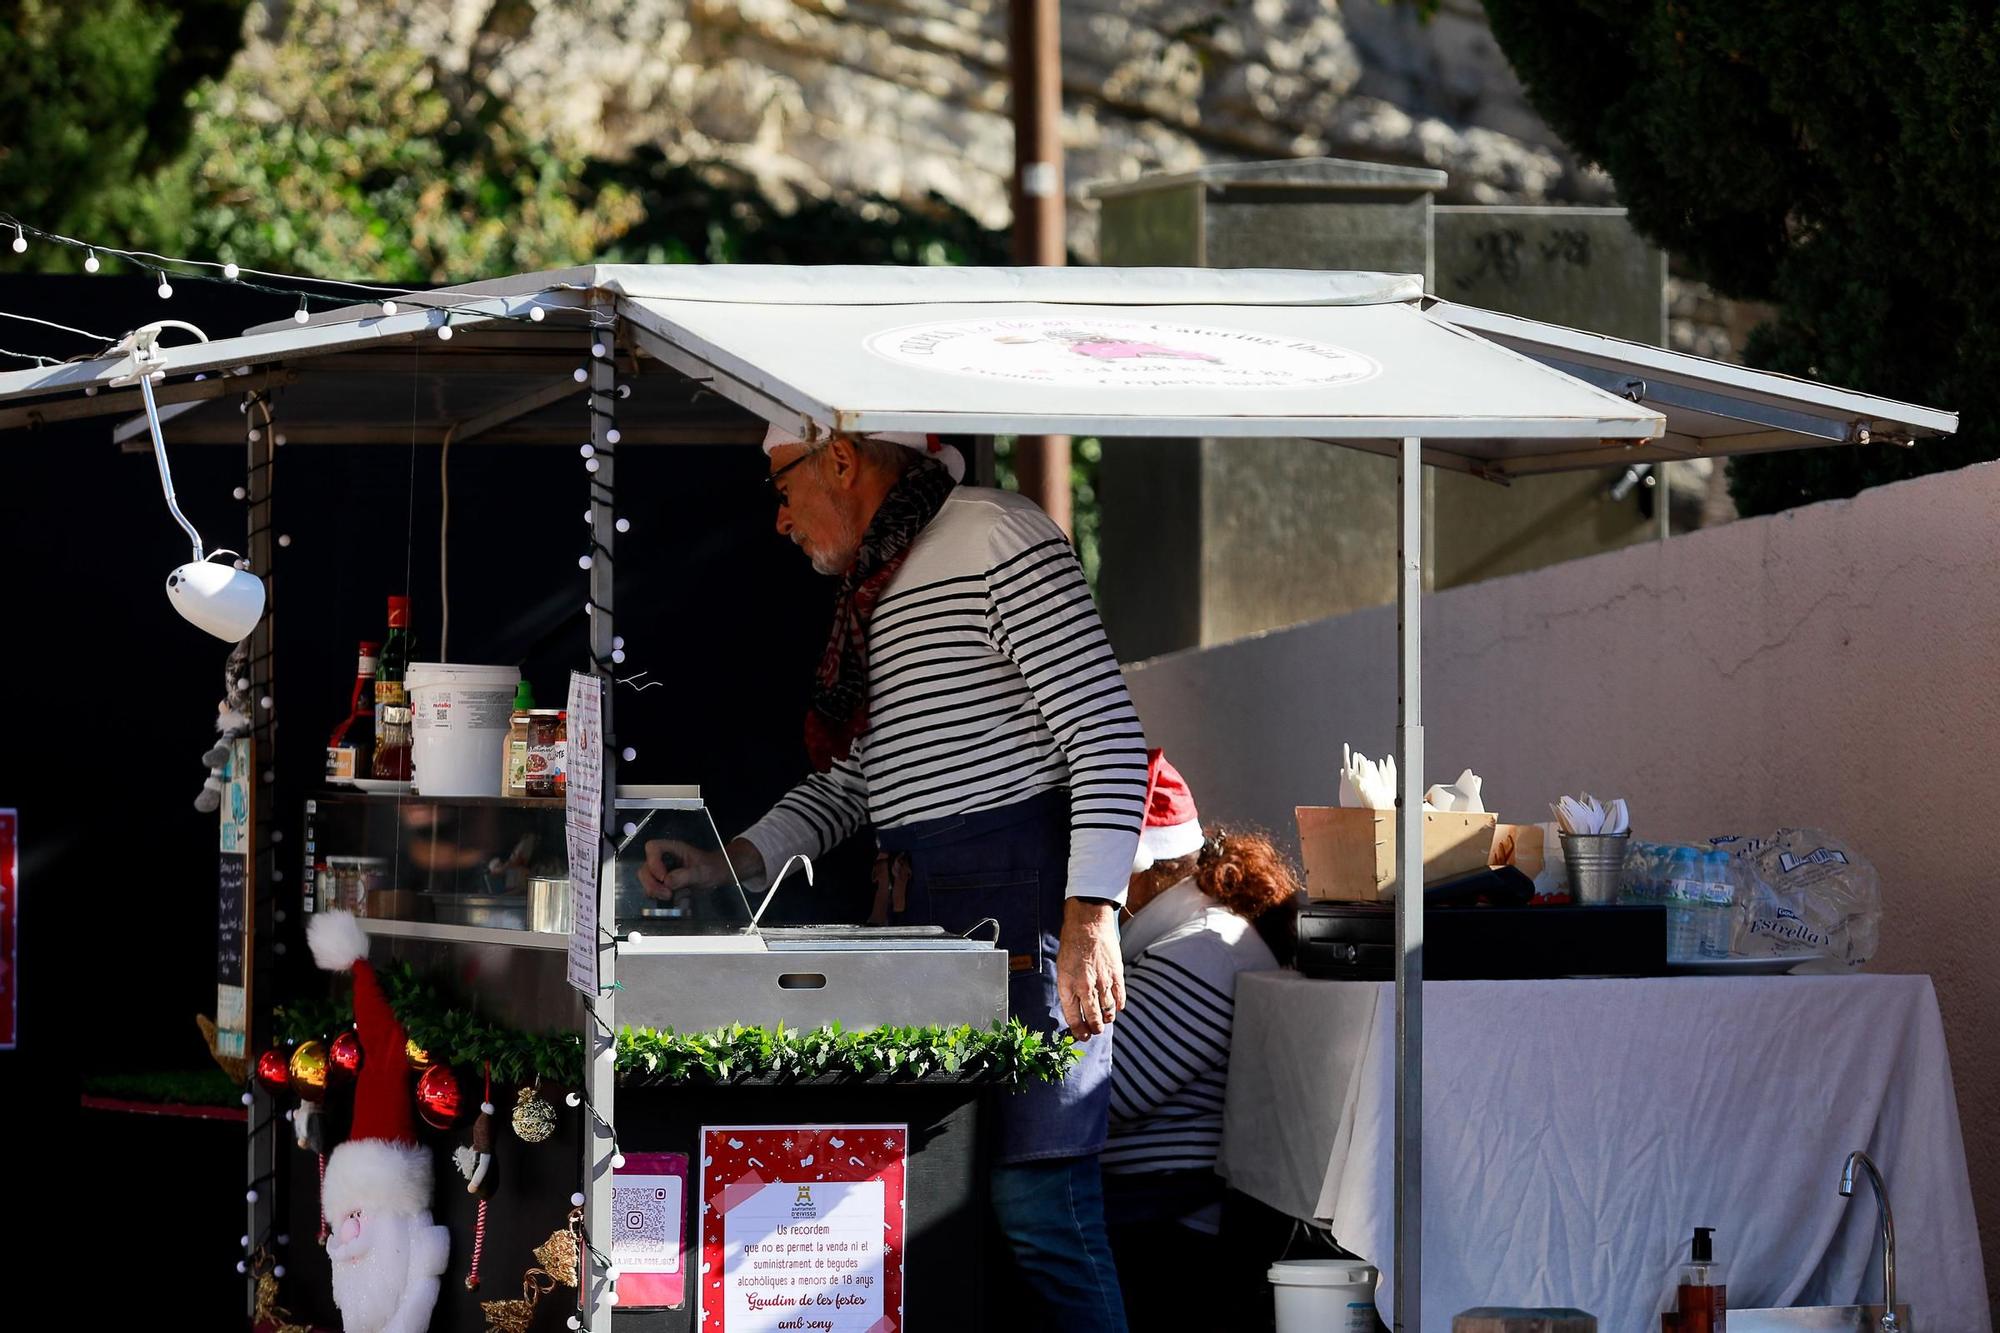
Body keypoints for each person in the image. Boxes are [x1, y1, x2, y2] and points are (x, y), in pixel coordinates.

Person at [642, 426, 1148, 1331]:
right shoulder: (881, 584)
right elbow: (856, 781)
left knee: (1040, 1215)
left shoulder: (999, 535)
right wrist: (731, 860)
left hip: (1023, 919)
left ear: (842, 457)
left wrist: (1090, 913)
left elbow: (1107, 735)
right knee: (946, 1206)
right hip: (937, 925)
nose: (780, 515)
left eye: (783, 483)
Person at [1100, 751, 1301, 1331]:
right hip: (1152, 1219)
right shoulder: (1189, 936)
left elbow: (1103, 1097)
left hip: (1169, 1237)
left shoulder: (1206, 946)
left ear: (1141, 866)